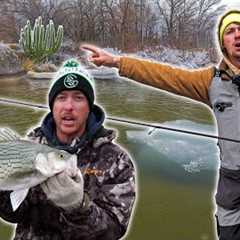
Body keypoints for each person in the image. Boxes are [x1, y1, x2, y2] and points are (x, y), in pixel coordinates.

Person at [81, 9, 240, 240]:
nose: (237, 35)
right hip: (231, 185)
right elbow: (165, 75)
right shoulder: (210, 82)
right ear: (223, 43)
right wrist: (118, 62)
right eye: (230, 31)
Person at [0, 59, 136, 240]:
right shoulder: (29, 145)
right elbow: (14, 214)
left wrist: (78, 206)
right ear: (52, 106)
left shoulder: (118, 161)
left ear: (90, 107)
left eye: (78, 97)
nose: (68, 106)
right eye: (61, 97)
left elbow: (113, 231)